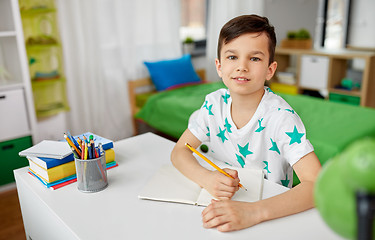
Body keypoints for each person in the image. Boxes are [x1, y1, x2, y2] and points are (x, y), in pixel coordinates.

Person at [170, 14, 321, 232]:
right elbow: (179, 151)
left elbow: (316, 184)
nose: (242, 66)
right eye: (232, 57)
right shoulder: (213, 105)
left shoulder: (281, 118)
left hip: (271, 218)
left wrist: (254, 212)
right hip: (216, 208)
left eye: (255, 58)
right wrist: (207, 178)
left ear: (270, 69)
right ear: (219, 66)